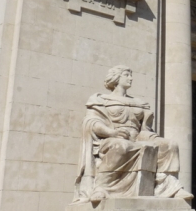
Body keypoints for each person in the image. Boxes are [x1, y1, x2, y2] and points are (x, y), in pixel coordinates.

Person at [74, 65, 188, 203]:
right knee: (122, 146)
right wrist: (112, 132)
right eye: (126, 75)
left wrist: (149, 127)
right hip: (112, 138)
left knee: (169, 145)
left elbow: (144, 129)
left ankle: (170, 186)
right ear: (116, 77)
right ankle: (102, 186)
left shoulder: (139, 102)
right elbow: (92, 123)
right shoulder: (101, 100)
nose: (131, 78)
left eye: (130, 75)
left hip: (138, 136)